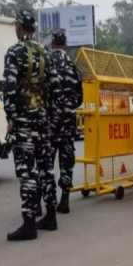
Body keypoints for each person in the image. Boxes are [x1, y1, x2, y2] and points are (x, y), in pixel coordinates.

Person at [3, 10, 60, 241]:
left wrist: (11, 118)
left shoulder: (15, 52)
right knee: (46, 168)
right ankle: (51, 216)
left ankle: (29, 224)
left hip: (25, 121)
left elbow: (9, 88)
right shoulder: (44, 52)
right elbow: (55, 86)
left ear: (19, 27)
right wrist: (48, 114)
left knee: (27, 171)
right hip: (43, 120)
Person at [46, 30, 83, 214]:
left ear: (53, 44)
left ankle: (48, 203)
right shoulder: (73, 67)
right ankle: (65, 199)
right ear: (65, 45)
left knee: (47, 163)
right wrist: (68, 107)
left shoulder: (47, 63)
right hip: (68, 122)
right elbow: (79, 99)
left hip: (50, 122)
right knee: (66, 161)